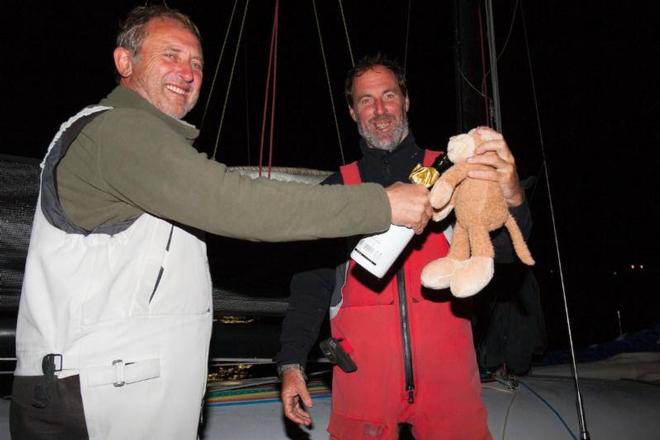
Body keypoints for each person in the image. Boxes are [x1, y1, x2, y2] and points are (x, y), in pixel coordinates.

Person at [9, 8, 434, 440]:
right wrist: (382, 204)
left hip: (128, 398)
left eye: (196, 63)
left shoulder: (149, 152)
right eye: (170, 56)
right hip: (91, 403)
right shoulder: (116, 133)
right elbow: (236, 202)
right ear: (125, 62)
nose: (187, 72)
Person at [275, 54, 532, 439]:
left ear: (406, 100)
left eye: (389, 96)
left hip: (450, 380)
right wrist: (292, 363)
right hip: (362, 383)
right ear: (352, 111)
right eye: (366, 100)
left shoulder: (450, 170)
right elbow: (310, 285)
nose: (380, 110)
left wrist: (512, 196)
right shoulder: (337, 188)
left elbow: (507, 252)